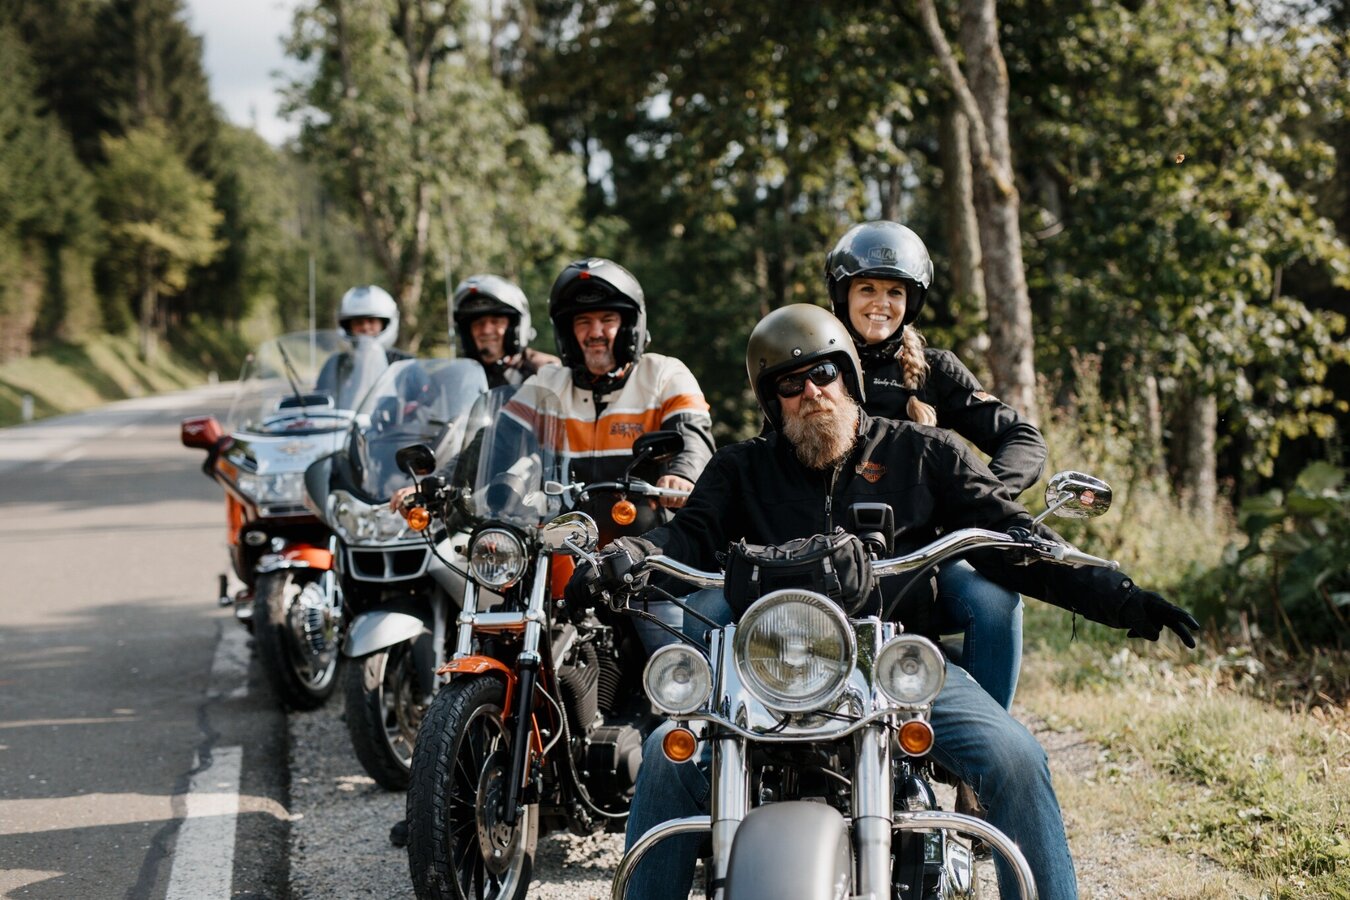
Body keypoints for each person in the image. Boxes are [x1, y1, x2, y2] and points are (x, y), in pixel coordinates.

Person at [583, 303, 1198, 900]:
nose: (811, 392)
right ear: (772, 402)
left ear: (849, 378)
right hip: (766, 667)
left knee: (1015, 758)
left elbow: (1009, 539)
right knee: (666, 760)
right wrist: (630, 554)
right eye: (790, 384)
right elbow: (686, 538)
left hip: (892, 662)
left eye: (823, 373)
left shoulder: (923, 452)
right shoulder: (741, 468)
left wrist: (1124, 599)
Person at [824, 219, 1042, 711]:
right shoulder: (814, 367)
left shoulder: (935, 370)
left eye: (895, 292)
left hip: (925, 556)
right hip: (828, 552)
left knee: (996, 602)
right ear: (843, 294)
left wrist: (977, 500)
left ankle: (982, 741)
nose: (881, 303)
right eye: (867, 288)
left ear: (912, 301)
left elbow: (1022, 437)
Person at [450, 274, 560, 387]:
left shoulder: (544, 370)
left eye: (495, 321)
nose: (486, 330)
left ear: (515, 327)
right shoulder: (458, 377)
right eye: (479, 323)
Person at [314, 284, 412, 405]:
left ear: (385, 323)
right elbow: (321, 401)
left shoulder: (405, 363)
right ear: (348, 326)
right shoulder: (336, 364)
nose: (365, 327)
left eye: (371, 321)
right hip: (347, 417)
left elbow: (423, 402)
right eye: (358, 322)